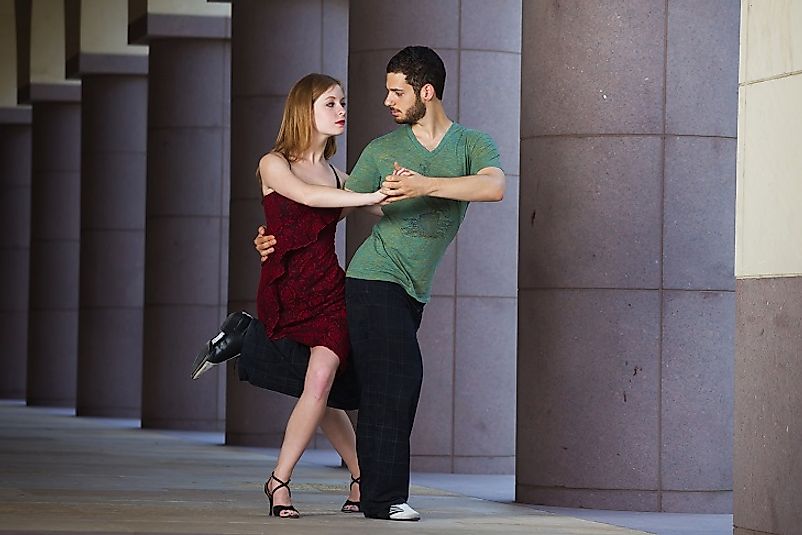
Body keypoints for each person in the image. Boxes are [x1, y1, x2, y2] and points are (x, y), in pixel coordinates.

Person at [254, 46, 505, 521]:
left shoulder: (472, 144)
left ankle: (360, 479)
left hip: (393, 287)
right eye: (333, 102)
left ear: (425, 92)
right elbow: (329, 202)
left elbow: (492, 186)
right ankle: (374, 496)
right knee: (396, 375)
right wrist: (272, 236)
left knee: (337, 386)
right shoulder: (378, 151)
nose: (383, 101)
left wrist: (423, 186)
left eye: (396, 91)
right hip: (366, 277)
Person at [192, 73, 384, 519]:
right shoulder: (273, 163)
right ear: (305, 110)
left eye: (342, 103)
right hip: (285, 290)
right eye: (331, 103)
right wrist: (365, 194)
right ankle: (360, 475)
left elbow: (379, 208)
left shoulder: (338, 173)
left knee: (319, 381)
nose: (342, 111)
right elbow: (306, 196)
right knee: (318, 390)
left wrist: (403, 190)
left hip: (331, 292)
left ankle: (278, 481)